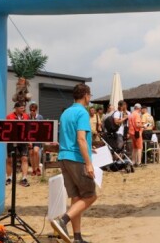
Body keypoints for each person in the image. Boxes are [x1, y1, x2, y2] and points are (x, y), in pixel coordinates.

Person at [51, 83, 97, 243]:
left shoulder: (66, 113)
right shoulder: (82, 113)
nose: (90, 98)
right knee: (91, 196)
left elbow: (69, 138)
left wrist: (90, 149)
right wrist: (89, 163)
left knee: (76, 198)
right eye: (90, 95)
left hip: (64, 157)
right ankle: (62, 220)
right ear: (85, 95)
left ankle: (77, 237)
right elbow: (80, 138)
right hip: (76, 159)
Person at [5, 102, 31, 187]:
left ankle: (24, 178)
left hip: (23, 140)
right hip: (12, 140)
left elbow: (28, 128)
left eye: (23, 108)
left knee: (24, 159)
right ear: (16, 108)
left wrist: (29, 140)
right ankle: (9, 178)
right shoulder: (9, 117)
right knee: (10, 159)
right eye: (21, 108)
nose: (23, 109)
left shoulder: (26, 116)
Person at [28, 102, 43, 176]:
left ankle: (37, 168)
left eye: (33, 110)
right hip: (29, 137)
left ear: (36, 110)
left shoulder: (40, 117)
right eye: (31, 110)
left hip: (37, 137)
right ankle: (33, 169)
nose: (32, 111)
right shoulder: (28, 117)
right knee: (31, 153)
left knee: (36, 151)